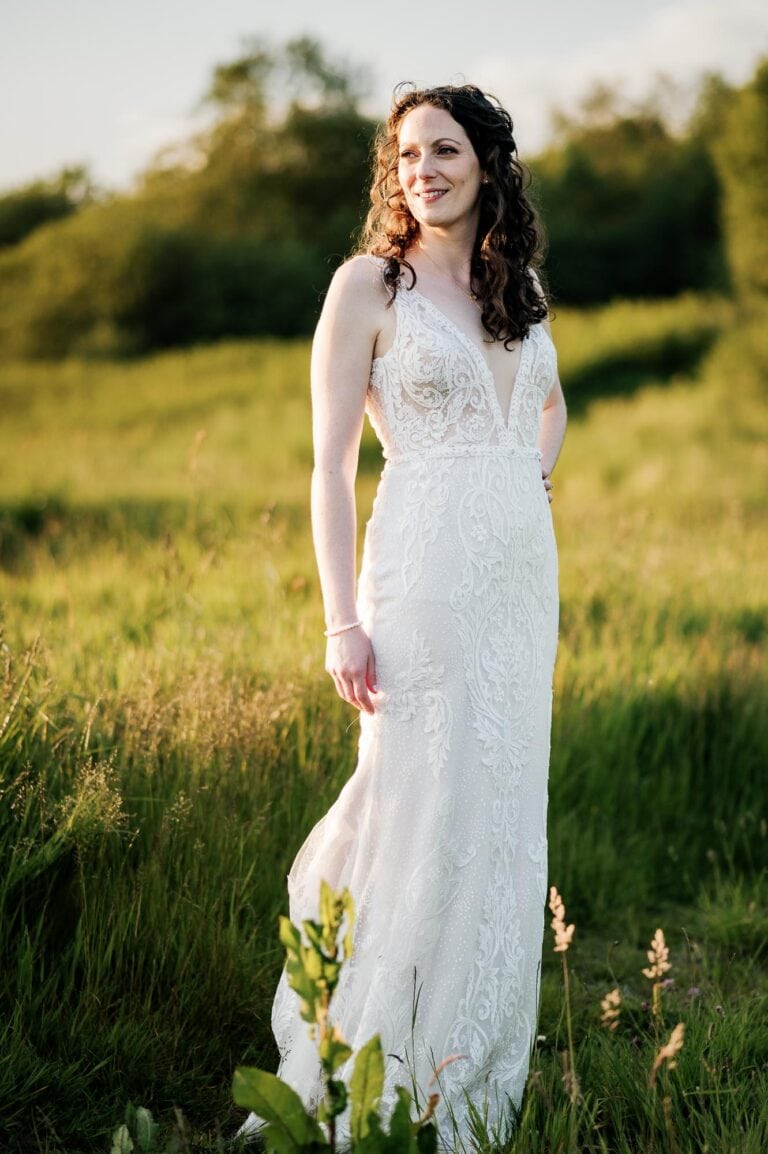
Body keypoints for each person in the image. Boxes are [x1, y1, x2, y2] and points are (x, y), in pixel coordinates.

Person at [238, 82, 567, 1149]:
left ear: (488, 163)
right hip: (418, 575)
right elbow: (331, 466)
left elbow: (551, 402)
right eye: (407, 153)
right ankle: (370, 1053)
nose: (422, 168)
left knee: (501, 805)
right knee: (421, 793)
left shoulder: (514, 282)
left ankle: (463, 1068)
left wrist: (525, 477)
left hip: (519, 586)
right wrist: (342, 621)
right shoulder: (367, 285)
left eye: (445, 149)